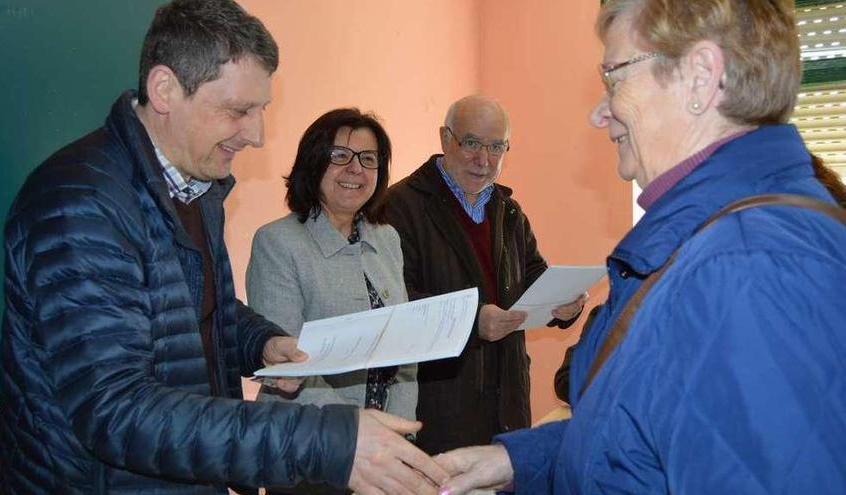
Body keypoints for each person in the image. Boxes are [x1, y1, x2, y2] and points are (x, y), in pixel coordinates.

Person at [0, 1, 447, 494]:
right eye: (238, 111)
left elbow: (194, 312)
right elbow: (116, 410)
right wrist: (327, 443)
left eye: (261, 110)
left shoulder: (197, 188)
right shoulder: (79, 203)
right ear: (165, 90)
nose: (257, 135)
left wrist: (259, 342)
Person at [434, 1, 846, 494]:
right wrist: (519, 459)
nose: (597, 111)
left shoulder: (748, 268)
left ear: (700, 77)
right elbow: (647, 429)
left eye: (614, 77)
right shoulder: (717, 243)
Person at [384, 95, 586, 455]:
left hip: (507, 405)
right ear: (445, 139)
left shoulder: (508, 211)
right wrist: (472, 321)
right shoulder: (399, 206)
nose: (484, 160)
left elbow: (532, 277)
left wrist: (564, 304)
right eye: (472, 143)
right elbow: (394, 302)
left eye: (497, 147)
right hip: (437, 408)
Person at [246, 108, 417, 494]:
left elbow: (406, 353)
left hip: (384, 452)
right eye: (339, 156)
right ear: (313, 163)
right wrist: (357, 434)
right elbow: (289, 365)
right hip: (308, 449)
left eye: (368, 159)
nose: (355, 169)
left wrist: (400, 437)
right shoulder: (278, 243)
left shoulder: (386, 239)